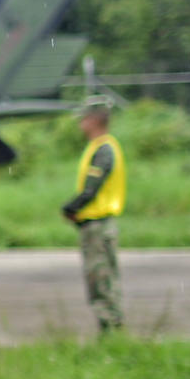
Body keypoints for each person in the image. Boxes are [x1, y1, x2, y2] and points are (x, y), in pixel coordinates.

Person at [63, 98, 126, 335]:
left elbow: (91, 189)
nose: (81, 124)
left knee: (101, 279)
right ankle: (112, 327)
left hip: (98, 226)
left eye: (83, 119)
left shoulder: (103, 149)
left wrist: (70, 209)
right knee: (104, 277)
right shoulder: (101, 146)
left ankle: (110, 329)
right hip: (98, 225)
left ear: (94, 120)